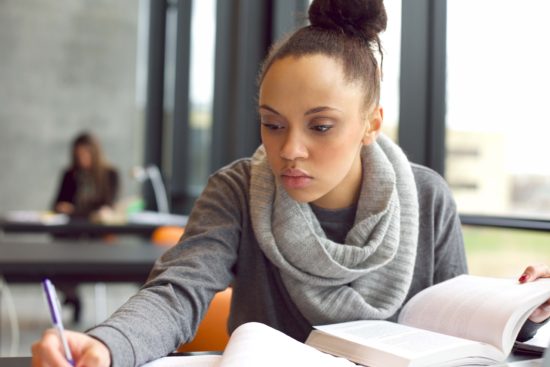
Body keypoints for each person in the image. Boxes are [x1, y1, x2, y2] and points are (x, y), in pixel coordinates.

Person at [32, 1, 550, 366]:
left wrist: (522, 312)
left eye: (320, 126)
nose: (289, 150)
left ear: (371, 123)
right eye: (272, 123)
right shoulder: (237, 189)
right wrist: (107, 345)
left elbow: (457, 332)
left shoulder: (428, 195)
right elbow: (176, 293)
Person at [52, 132, 119, 220]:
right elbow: (58, 205)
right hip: (72, 227)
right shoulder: (70, 175)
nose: (82, 159)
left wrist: (74, 210)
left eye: (85, 154)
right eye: (78, 155)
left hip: (98, 227)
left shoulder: (110, 175)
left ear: (94, 154)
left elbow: (106, 208)